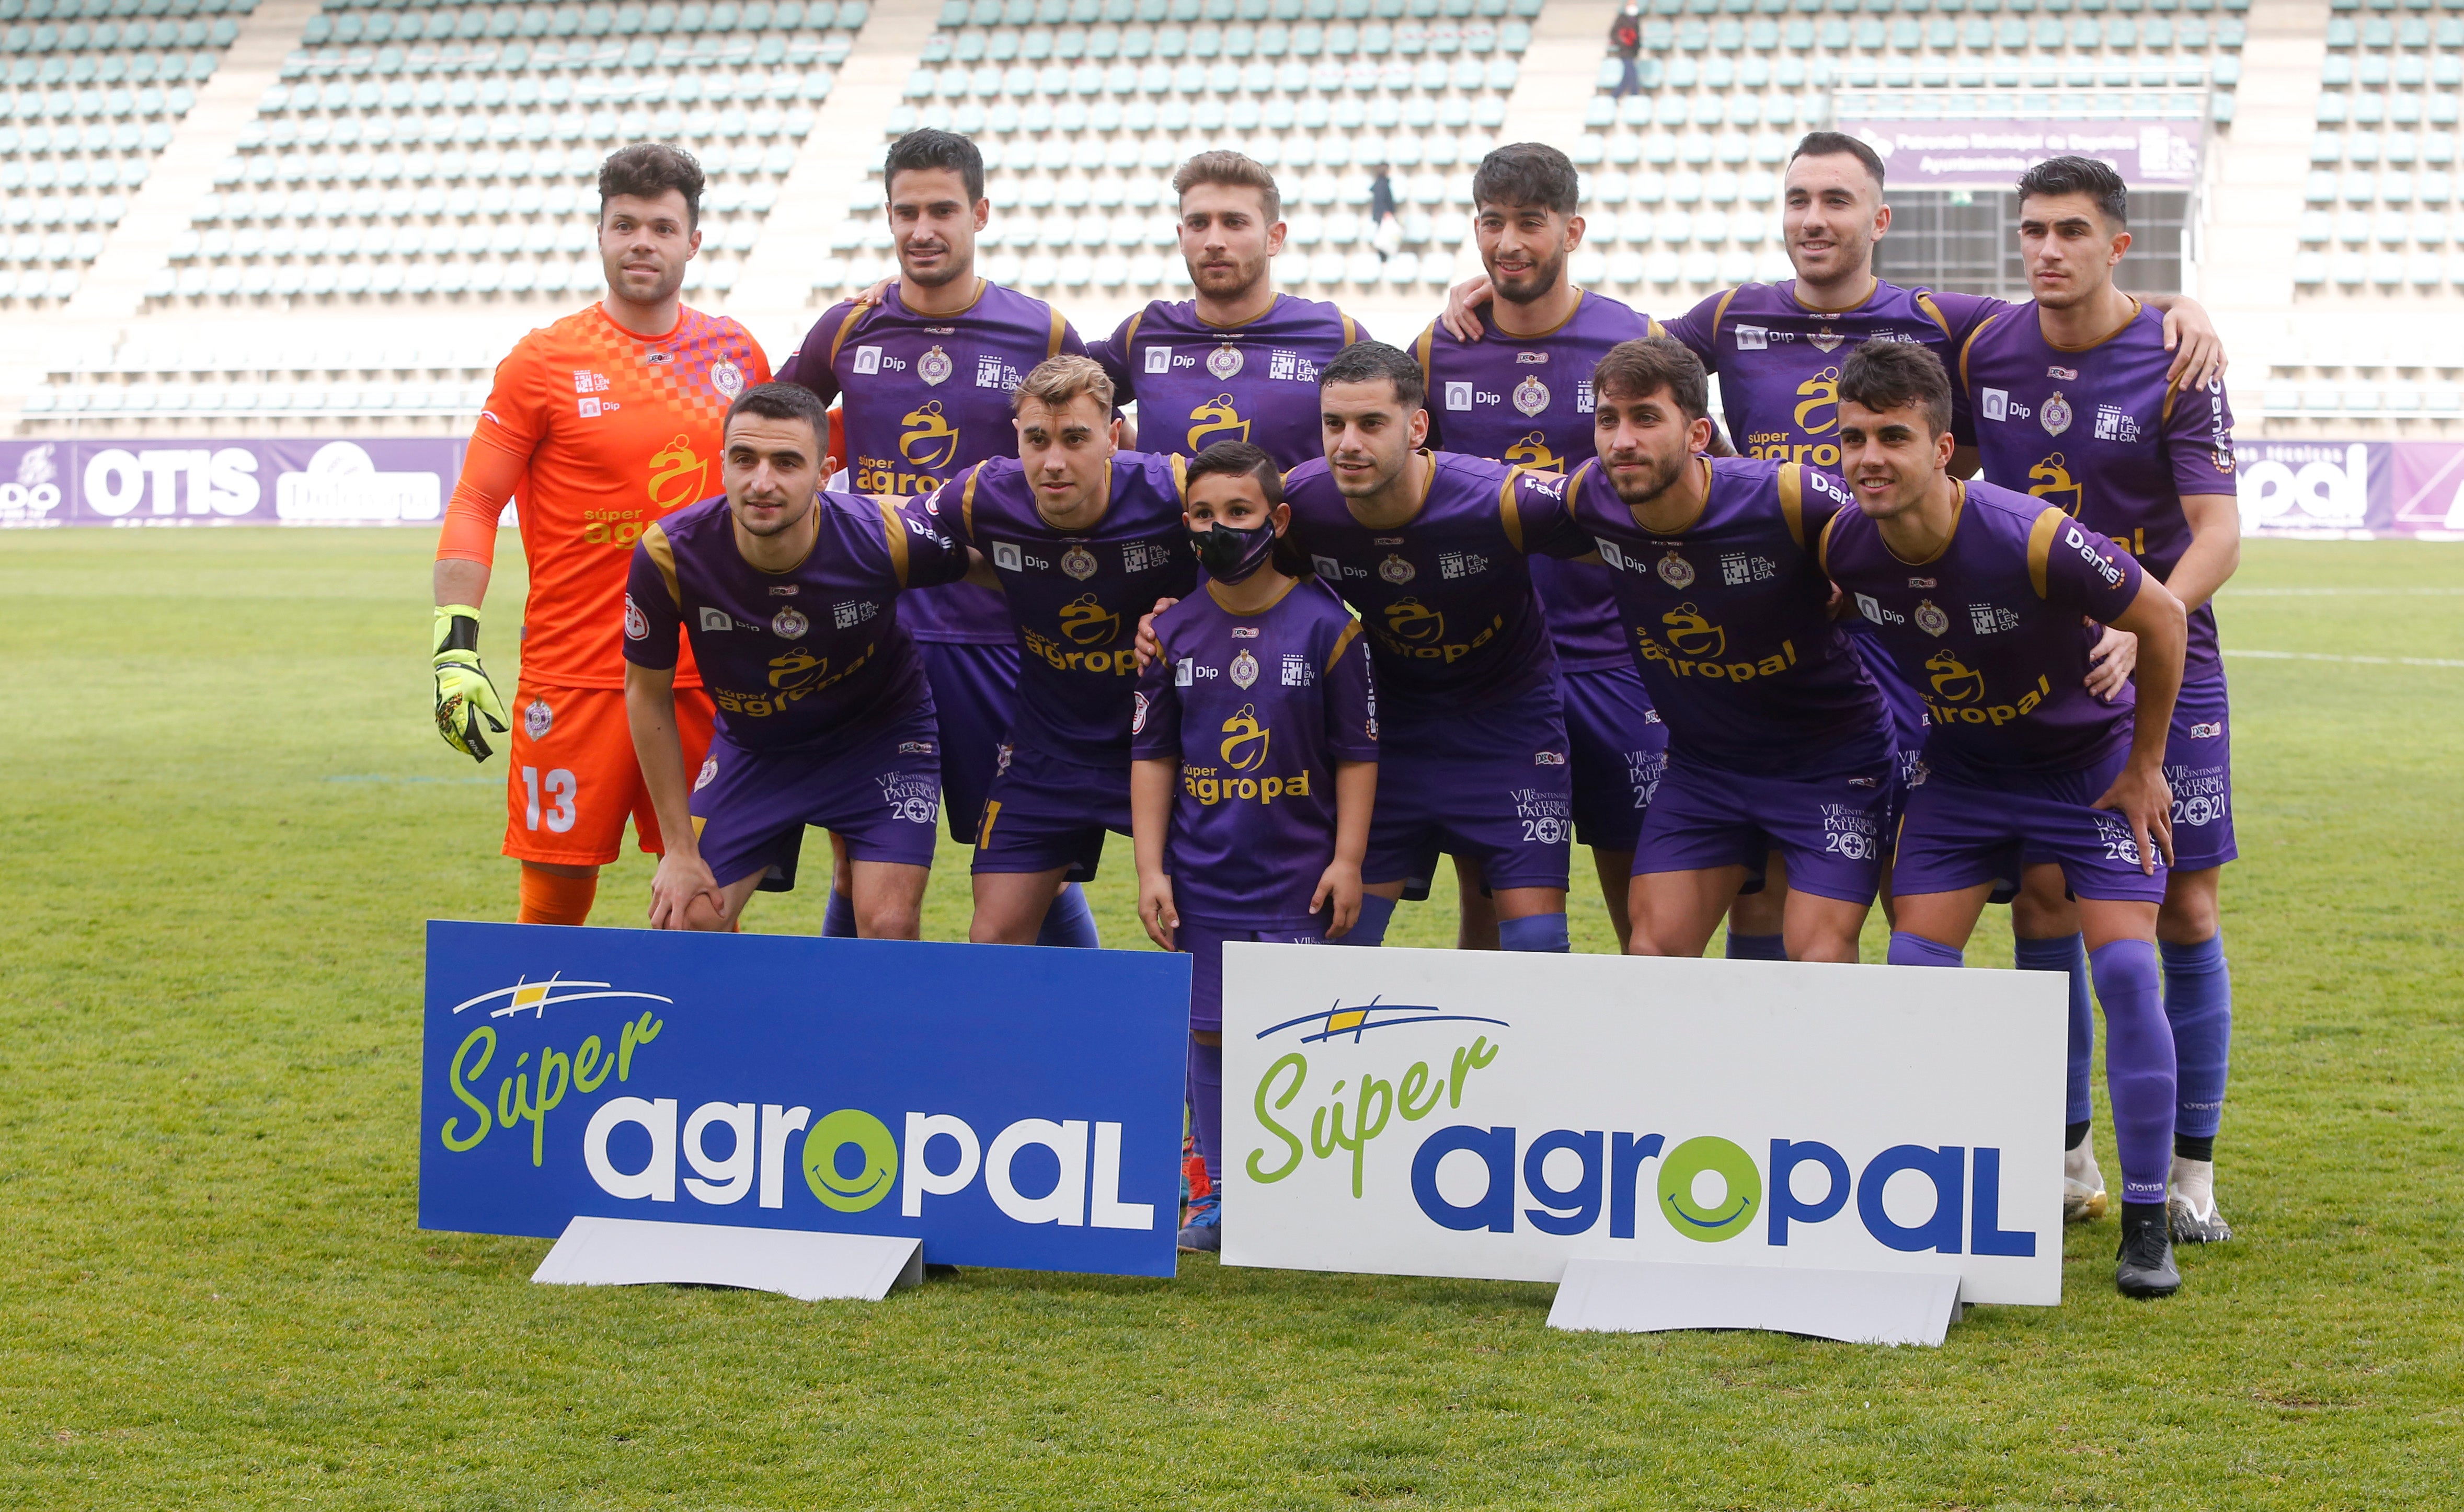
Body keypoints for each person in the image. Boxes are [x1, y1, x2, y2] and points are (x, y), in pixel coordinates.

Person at [1441, 130, 2227, 962]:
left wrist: (2180, 307)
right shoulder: (1729, 317)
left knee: (1943, 879)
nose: (1814, 220)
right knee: (1768, 886)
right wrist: (1501, 286)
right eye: (1799, 201)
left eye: (1836, 201)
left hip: (1910, 627)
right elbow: (1621, 360)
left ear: (1879, 218)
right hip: (1795, 625)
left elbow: (2071, 299)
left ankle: (1938, 1064)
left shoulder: (1945, 322)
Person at [1818, 338, 2190, 1298]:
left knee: (2122, 964)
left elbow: (2163, 619)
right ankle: (1924, 1195)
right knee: (1913, 969)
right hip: (1967, 776)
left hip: (2088, 774)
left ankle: (2146, 1221)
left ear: (1943, 447)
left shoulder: (2028, 534)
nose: (1866, 457)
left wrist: (2147, 765)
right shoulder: (1842, 545)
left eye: (1891, 437)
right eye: (1851, 436)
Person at [1956, 156, 2243, 1243]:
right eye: (2031, 231)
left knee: (2182, 905)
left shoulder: (2174, 358)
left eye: (2070, 232)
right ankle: (2066, 1156)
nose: (2045, 251)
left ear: (2117, 245)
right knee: (2043, 899)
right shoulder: (1987, 346)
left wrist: (2142, 617)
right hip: (2036, 660)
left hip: (2168, 653)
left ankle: (2187, 1177)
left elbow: (2217, 531)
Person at [430, 143, 770, 927]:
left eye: (661, 225)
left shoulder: (735, 353)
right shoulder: (544, 362)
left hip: (705, 671)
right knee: (553, 905)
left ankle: (680, 1048)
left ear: (693, 241)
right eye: (625, 224)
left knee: (705, 906)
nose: (641, 241)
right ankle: (539, 1052)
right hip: (576, 675)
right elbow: (478, 500)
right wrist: (454, 646)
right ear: (601, 235)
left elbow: (794, 461)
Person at [778, 128, 1102, 949]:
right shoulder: (847, 328)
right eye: (906, 211)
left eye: (942, 210)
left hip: (997, 634)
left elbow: (1108, 450)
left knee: (1032, 860)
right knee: (863, 868)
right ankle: (857, 1061)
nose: (923, 228)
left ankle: (1084, 1052)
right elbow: (776, 426)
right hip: (871, 633)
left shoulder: (1042, 331)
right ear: (888, 217)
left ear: (980, 213)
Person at [1530, 336, 1893, 962]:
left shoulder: (1790, 497)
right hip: (1707, 768)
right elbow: (1474, 503)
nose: (1622, 441)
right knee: (1653, 951)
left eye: (1646, 418)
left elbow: (1919, 544)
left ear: (1698, 433)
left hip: (1832, 762)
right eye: (1608, 420)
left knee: (1819, 957)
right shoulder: (1591, 496)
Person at [1415, 143, 1666, 950]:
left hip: (1615, 661)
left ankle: (1644, 1072)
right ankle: (1490, 1071)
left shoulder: (1634, 342)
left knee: (1644, 913)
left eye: (1530, 222)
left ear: (1572, 229)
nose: (1508, 243)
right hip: (1490, 666)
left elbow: (1703, 477)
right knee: (1487, 899)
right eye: (1492, 223)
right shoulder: (1439, 348)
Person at [1132, 441, 1378, 1253]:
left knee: (1305, 1032)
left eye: (1237, 513)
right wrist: (1150, 868)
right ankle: (1219, 1197)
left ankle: (1308, 1194)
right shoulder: (1170, 632)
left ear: (1275, 519)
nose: (1218, 529)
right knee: (1207, 1031)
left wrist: (1347, 860)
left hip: (1300, 877)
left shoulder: (1331, 627)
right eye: (1201, 515)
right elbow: (1153, 755)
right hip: (1203, 876)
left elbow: (1357, 754)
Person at [620, 383, 978, 936]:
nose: (762, 482)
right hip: (757, 749)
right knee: (687, 921)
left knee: (887, 924)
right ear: (721, 466)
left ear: (824, 471)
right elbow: (646, 692)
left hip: (881, 740)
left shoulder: (884, 536)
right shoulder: (669, 554)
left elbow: (1005, 565)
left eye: (787, 462)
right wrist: (678, 850)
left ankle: (858, 1017)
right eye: (745, 459)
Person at [1278, 342, 1581, 952]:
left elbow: (1635, 531)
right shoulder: (1302, 503)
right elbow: (1249, 587)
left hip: (1511, 723)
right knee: (1339, 940)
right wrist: (1165, 617)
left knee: (1539, 944)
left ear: (1417, 427)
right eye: (1333, 425)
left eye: (1371, 424)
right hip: (1394, 729)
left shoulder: (1498, 497)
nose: (1347, 444)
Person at [921, 356, 1199, 942]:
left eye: (1076, 439)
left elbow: (1262, 553)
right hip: (1047, 748)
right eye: (1036, 439)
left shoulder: (1174, 487)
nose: (1053, 461)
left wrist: (1196, 611)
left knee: (1197, 931)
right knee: (992, 940)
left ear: (1112, 438)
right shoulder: (978, 495)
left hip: (1168, 749)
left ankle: (1198, 1037)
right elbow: (890, 529)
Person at [1087, 151, 1370, 471]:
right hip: (1166, 524)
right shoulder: (1144, 332)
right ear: (1182, 238)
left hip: (1293, 523)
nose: (1214, 241)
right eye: (1199, 224)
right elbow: (1070, 397)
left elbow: (1395, 433)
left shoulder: (1335, 334)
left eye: (1234, 223)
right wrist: (1131, 450)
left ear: (1274, 238)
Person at [1607, 2, 1642, 101]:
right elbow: (1614, 34)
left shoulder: (1636, 19)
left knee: (1627, 77)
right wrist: (1623, 42)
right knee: (1632, 74)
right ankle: (1635, 95)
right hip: (1624, 51)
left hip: (1632, 52)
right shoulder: (1622, 19)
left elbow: (1637, 37)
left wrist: (1637, 49)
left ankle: (1614, 97)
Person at [1367, 160, 1399, 264]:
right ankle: (1383, 260)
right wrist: (1386, 212)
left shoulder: (1381, 183)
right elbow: (1382, 200)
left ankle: (1385, 259)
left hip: (1380, 215)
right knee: (1384, 238)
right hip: (1383, 216)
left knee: (1385, 237)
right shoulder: (1382, 184)